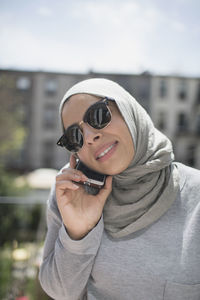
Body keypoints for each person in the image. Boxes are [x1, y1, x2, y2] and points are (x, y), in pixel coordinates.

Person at [39, 78, 200, 300]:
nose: (89, 138)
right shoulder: (71, 193)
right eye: (74, 136)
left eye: (98, 115)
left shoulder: (196, 195)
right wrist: (77, 233)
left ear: (128, 110)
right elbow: (60, 293)